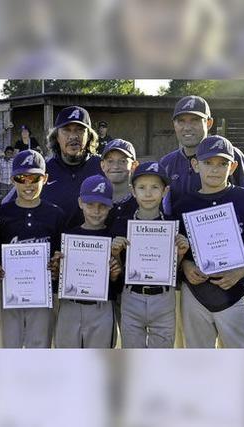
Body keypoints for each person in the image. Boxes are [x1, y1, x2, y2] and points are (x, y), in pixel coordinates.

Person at [173, 136, 244, 348]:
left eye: (222, 163)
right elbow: (178, 250)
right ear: (196, 165)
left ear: (232, 167)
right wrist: (186, 266)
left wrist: (242, 271)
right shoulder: (184, 204)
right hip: (194, 294)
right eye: (208, 163)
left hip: (235, 290)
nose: (215, 169)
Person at [110, 162, 189, 348]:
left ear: (165, 191)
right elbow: (118, 272)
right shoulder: (122, 224)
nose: (148, 193)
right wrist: (115, 253)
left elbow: (172, 270)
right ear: (133, 190)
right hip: (131, 297)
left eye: (155, 187)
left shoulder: (173, 225)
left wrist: (181, 254)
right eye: (142, 187)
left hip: (164, 297)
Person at [0, 150, 65, 348]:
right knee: (9, 346)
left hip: (43, 292)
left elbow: (61, 256)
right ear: (12, 179)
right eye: (21, 178)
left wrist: (58, 264)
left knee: (40, 345)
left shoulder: (55, 214)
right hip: (9, 291)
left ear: (45, 178)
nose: (28, 184)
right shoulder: (1, 213)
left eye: (34, 178)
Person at [160, 95, 244, 216]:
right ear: (174, 124)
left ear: (209, 123)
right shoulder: (166, 163)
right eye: (181, 121)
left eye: (195, 120)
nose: (187, 127)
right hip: (179, 234)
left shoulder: (230, 156)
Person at [52, 174, 121, 348]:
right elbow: (59, 277)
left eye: (102, 206)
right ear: (80, 203)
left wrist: (114, 274)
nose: (96, 211)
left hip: (102, 307)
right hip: (70, 305)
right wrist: (57, 268)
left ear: (110, 206)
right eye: (90, 204)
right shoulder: (68, 237)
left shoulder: (114, 238)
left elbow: (118, 281)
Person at [100, 138, 139, 342]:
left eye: (123, 160)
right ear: (102, 165)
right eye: (110, 160)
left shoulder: (144, 203)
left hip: (133, 291)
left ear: (134, 165)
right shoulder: (94, 204)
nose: (116, 165)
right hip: (100, 290)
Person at [41, 106, 103, 229]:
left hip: (94, 245)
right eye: (66, 130)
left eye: (80, 130)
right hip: (54, 247)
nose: (73, 136)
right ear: (56, 137)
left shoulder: (103, 167)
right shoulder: (42, 171)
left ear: (89, 136)